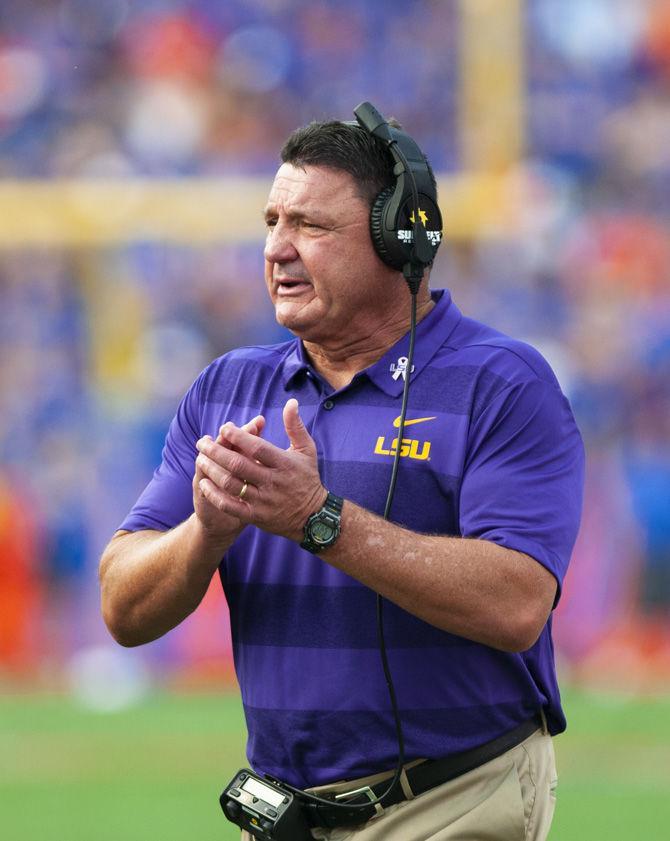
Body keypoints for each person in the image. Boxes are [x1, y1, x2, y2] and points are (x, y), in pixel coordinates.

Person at [99, 109, 584, 841]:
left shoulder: (502, 382)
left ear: (401, 240)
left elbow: (518, 603)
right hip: (284, 812)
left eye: (311, 227)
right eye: (271, 221)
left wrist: (319, 518)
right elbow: (123, 608)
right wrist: (206, 530)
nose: (276, 249)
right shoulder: (228, 387)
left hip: (451, 800)